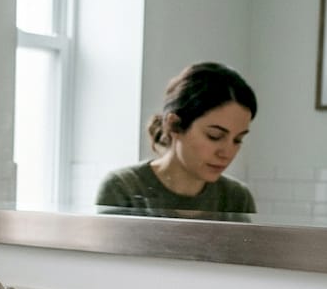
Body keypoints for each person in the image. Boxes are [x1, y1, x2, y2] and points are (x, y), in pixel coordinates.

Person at [95, 62, 257, 220]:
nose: (227, 153)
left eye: (238, 139)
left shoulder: (237, 198)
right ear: (174, 124)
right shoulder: (123, 187)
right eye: (214, 136)